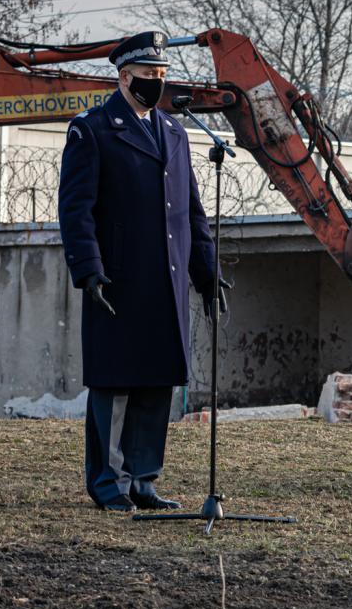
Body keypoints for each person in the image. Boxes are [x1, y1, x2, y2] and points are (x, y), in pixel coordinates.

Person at [58, 31, 226, 513]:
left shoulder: (174, 131)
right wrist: (88, 270)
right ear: (124, 76)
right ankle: (108, 483)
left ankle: (142, 480)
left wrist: (207, 274)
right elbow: (76, 209)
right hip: (118, 279)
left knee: (157, 381)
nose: (157, 83)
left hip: (166, 279)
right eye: (149, 76)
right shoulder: (92, 129)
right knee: (115, 383)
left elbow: (191, 212)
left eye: (162, 76)